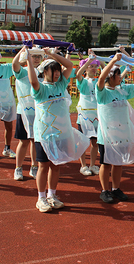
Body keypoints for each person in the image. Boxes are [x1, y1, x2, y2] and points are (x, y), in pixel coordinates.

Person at [26, 48, 89, 212]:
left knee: (56, 166)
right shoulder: (40, 90)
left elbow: (69, 66)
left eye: (57, 70)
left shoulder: (61, 84)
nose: (56, 73)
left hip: (61, 134)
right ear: (44, 71)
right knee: (43, 166)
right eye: (52, 70)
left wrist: (52, 55)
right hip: (44, 136)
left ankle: (52, 195)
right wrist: (28, 59)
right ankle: (41, 198)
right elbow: (33, 81)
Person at [96, 53, 134, 203]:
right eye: (118, 75)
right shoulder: (102, 93)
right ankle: (105, 190)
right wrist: (113, 61)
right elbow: (101, 79)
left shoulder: (121, 90)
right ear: (111, 77)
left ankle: (116, 188)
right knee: (106, 163)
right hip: (106, 136)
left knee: (118, 162)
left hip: (120, 134)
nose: (121, 78)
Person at [11, 46, 43, 181]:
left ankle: (34, 166)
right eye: (33, 56)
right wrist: (23, 50)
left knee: (35, 140)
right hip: (24, 111)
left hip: (39, 112)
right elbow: (14, 63)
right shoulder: (22, 71)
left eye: (38, 56)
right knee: (23, 141)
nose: (35, 59)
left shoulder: (42, 72)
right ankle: (18, 168)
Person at [75, 56, 102, 176]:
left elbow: (106, 74)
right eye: (91, 66)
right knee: (83, 141)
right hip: (84, 116)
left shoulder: (97, 82)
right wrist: (88, 62)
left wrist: (98, 58)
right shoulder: (83, 82)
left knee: (95, 142)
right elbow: (78, 74)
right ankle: (83, 166)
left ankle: (92, 165)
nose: (94, 69)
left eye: (95, 66)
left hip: (96, 116)